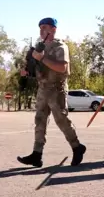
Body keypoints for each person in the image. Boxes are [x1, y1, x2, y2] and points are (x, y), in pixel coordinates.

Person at [17, 17, 86, 168]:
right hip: (42, 88)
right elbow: (37, 70)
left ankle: (77, 147)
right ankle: (37, 155)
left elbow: (62, 68)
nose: (42, 30)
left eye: (45, 27)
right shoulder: (38, 48)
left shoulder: (60, 46)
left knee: (62, 120)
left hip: (56, 89)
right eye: (40, 28)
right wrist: (27, 72)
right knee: (40, 121)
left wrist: (42, 58)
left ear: (54, 29)